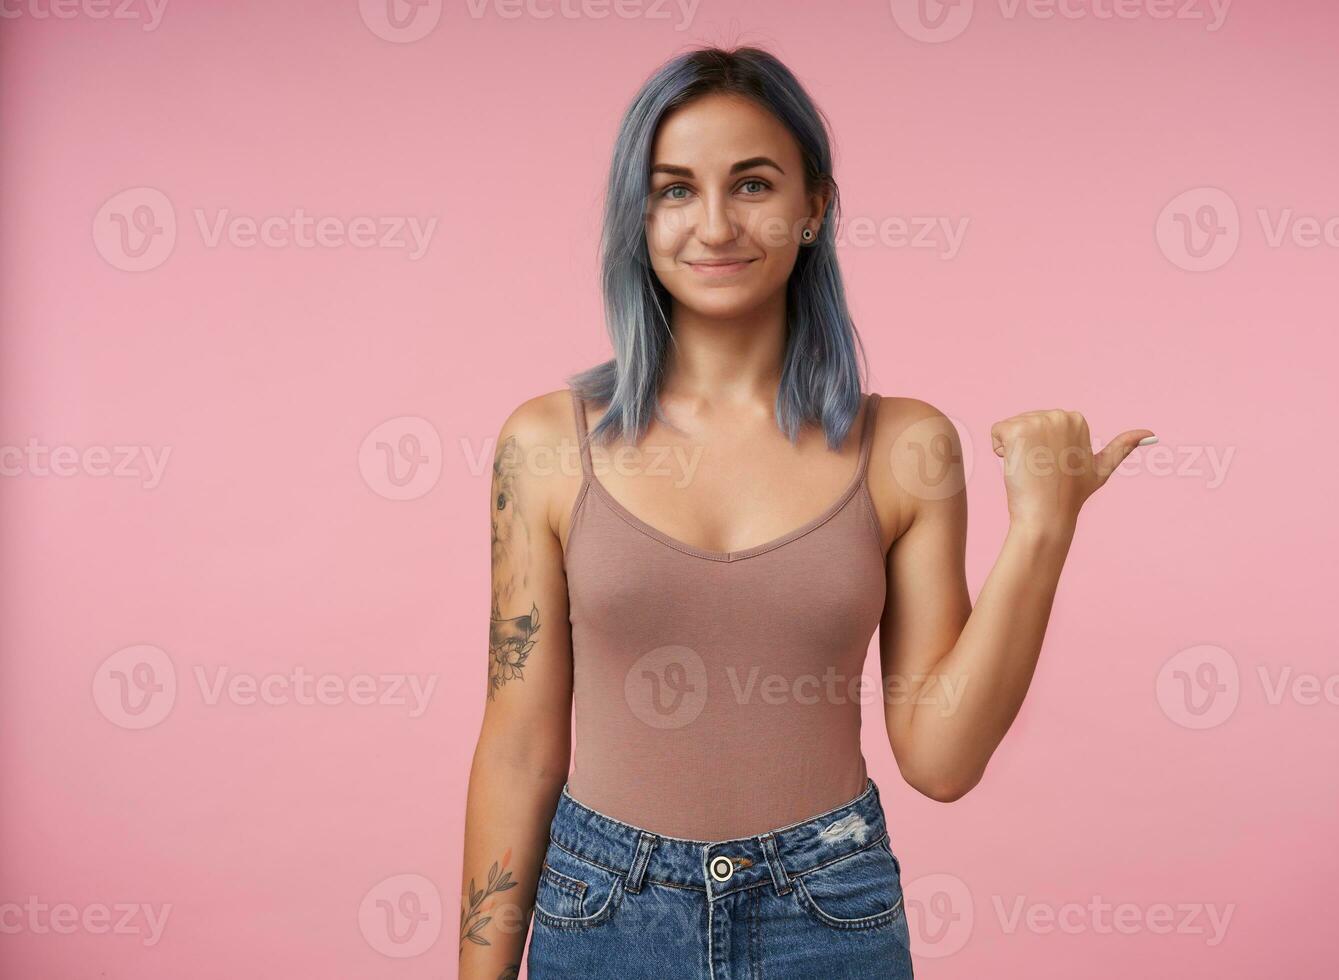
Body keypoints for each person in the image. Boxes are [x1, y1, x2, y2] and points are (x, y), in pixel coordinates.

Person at [459, 45, 1155, 980]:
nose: (713, 224)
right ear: (640, 212)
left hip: (826, 910)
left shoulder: (907, 448)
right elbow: (517, 748)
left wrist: (1043, 528)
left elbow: (941, 762)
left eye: (752, 184)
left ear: (814, 206)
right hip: (602, 912)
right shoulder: (544, 443)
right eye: (674, 189)